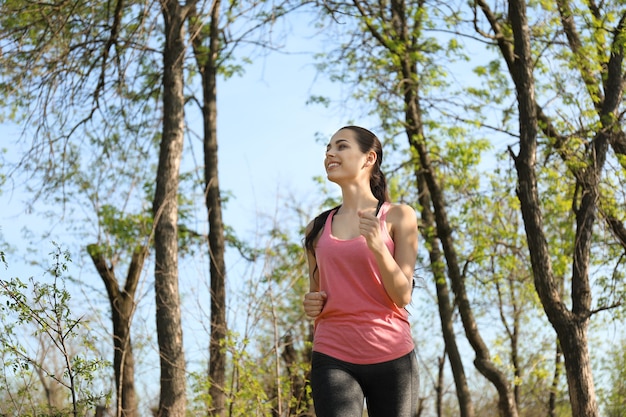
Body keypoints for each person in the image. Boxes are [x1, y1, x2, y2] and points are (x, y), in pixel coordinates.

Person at [303, 125, 419, 417]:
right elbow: (317, 295)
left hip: (392, 354)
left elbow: (402, 295)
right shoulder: (316, 229)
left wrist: (379, 247)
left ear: (369, 158)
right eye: (328, 147)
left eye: (341, 146)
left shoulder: (398, 216)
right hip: (333, 354)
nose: (330, 152)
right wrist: (311, 303)